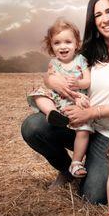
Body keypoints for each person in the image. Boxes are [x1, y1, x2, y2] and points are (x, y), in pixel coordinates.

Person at [21, 0, 109, 204]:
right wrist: (51, 80)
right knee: (33, 127)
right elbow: (60, 66)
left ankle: (90, 164)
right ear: (93, 20)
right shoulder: (89, 51)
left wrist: (90, 112)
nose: (105, 19)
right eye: (98, 14)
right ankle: (67, 169)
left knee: (92, 196)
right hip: (83, 126)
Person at [26, 19, 92, 178]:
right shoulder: (53, 63)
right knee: (39, 95)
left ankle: (76, 162)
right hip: (58, 101)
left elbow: (88, 80)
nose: (63, 46)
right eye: (57, 43)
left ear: (76, 44)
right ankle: (52, 113)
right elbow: (49, 82)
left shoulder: (81, 60)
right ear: (51, 46)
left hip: (76, 100)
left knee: (84, 130)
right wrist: (50, 80)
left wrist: (78, 83)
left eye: (68, 42)